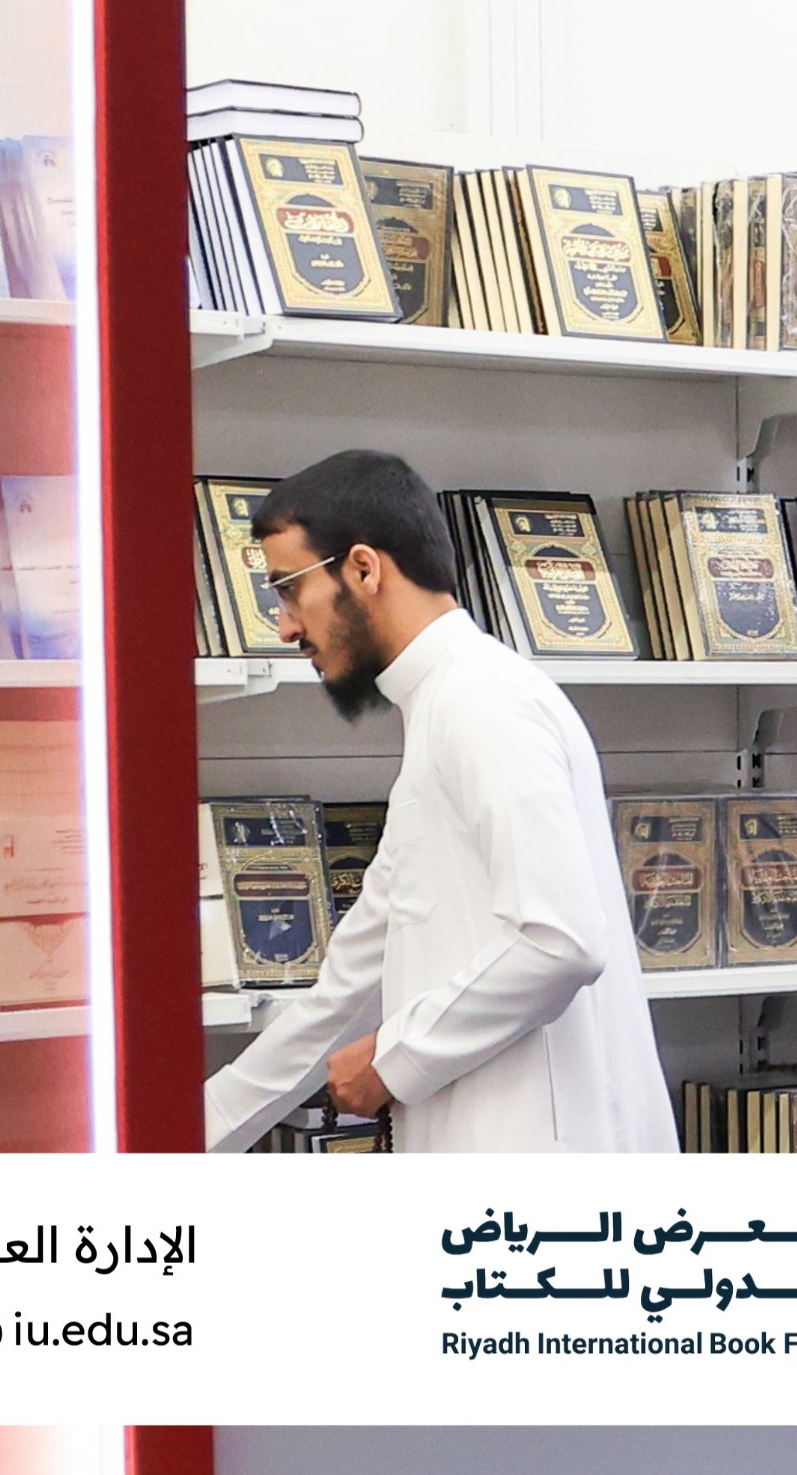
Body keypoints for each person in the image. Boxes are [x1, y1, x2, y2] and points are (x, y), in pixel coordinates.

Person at [205, 447, 674, 1153]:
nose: (286, 627)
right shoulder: (444, 706)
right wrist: (180, 1132)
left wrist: (394, 1058)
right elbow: (350, 990)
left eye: (290, 590)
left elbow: (562, 940)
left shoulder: (481, 700)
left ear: (364, 569)